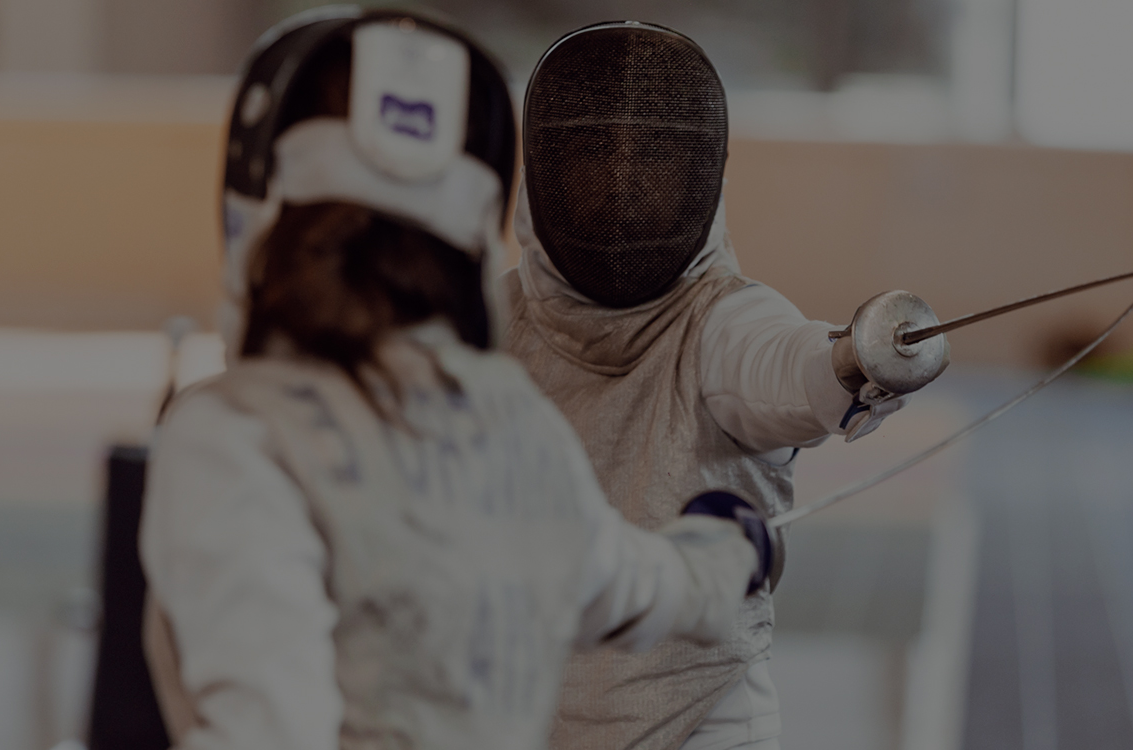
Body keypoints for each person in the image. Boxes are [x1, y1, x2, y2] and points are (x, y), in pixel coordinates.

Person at [138, 9, 774, 749]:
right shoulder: (507, 420)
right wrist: (730, 551)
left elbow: (270, 727)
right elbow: (630, 583)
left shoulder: (235, 435)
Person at [508, 21, 950, 750]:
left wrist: (850, 361)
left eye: (651, 159)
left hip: (699, 719)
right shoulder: (491, 322)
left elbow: (779, 365)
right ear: (546, 165)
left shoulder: (721, 317)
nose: (623, 183)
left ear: (698, 175)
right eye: (596, 155)